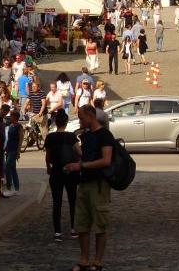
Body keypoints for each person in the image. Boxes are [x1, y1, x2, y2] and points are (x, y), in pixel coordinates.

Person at [63, 104, 115, 271]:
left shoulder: (105, 135)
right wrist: (75, 164)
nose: (80, 120)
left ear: (91, 116)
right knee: (82, 224)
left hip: (99, 184)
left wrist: (81, 166)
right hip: (83, 183)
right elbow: (86, 157)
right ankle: (84, 260)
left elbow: (106, 160)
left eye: (81, 117)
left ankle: (97, 262)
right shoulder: (85, 136)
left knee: (100, 224)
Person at [44, 110, 78, 242]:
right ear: (66, 122)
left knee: (57, 202)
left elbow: (48, 155)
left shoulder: (50, 137)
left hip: (56, 171)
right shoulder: (71, 136)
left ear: (56, 122)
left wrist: (48, 167)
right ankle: (73, 229)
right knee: (72, 200)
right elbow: (79, 151)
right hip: (71, 171)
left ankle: (57, 232)